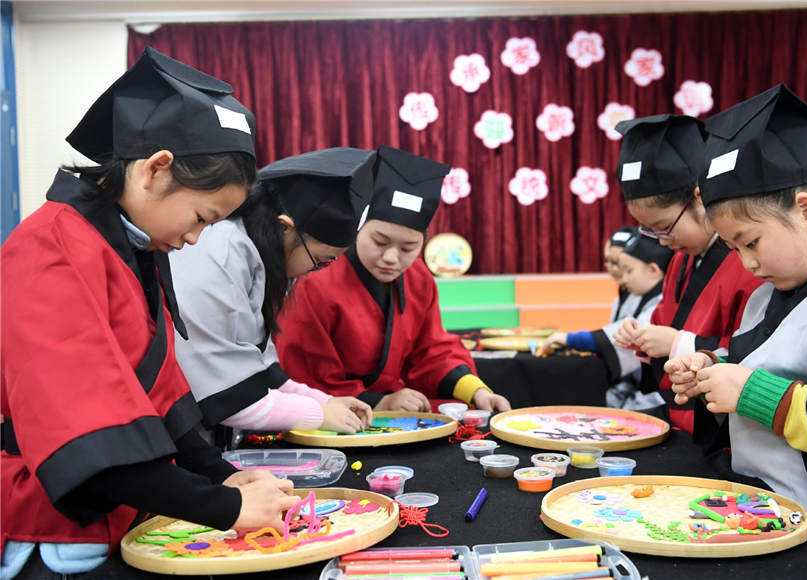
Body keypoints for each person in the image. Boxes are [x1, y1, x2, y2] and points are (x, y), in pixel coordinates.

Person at [0, 48, 297, 579]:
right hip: (48, 526)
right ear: (155, 170)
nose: (195, 238)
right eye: (202, 217)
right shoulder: (51, 246)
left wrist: (222, 475)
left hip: (123, 512)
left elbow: (159, 397)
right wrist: (225, 507)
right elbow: (85, 436)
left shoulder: (130, 248)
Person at [665, 84, 807, 578]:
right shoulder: (766, 294)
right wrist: (710, 371)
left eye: (751, 242)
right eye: (733, 249)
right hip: (769, 517)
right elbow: (765, 366)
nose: (746, 263)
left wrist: (751, 392)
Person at [276, 145, 510, 413]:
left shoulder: (419, 278)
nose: (391, 258)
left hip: (394, 404)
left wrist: (476, 391)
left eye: (408, 248)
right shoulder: (316, 278)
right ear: (358, 229)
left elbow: (431, 351)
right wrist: (379, 403)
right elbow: (304, 372)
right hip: (333, 408)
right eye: (379, 241)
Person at [170, 149, 377, 447]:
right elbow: (225, 394)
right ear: (284, 227)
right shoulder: (217, 254)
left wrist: (326, 401)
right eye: (321, 260)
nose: (313, 272)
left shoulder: (254, 254)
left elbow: (263, 375)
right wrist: (319, 414)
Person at [610, 114, 763, 441]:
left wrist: (678, 343)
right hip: (678, 420)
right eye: (650, 231)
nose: (661, 241)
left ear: (699, 198)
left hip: (724, 435)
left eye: (664, 226)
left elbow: (755, 352)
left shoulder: (747, 263)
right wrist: (642, 337)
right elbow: (663, 321)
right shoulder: (681, 260)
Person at [540, 234, 673, 411]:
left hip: (655, 396)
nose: (622, 276)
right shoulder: (634, 294)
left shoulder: (663, 301)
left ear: (653, 270)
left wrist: (573, 339)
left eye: (628, 270)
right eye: (608, 261)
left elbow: (625, 339)